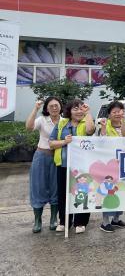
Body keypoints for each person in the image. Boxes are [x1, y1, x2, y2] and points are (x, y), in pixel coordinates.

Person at [49, 99, 95, 234]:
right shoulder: (62, 123)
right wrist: (64, 141)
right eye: (75, 109)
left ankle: (81, 222)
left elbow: (90, 131)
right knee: (63, 194)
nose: (79, 111)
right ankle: (64, 221)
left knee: (82, 193)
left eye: (81, 108)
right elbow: (51, 143)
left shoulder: (86, 121)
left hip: (82, 166)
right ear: (69, 111)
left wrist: (88, 113)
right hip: (63, 165)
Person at [25, 97, 62, 233]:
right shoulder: (42, 120)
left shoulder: (65, 121)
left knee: (56, 187)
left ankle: (53, 219)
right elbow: (29, 127)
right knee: (38, 187)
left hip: (58, 157)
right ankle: (37, 220)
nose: (54, 108)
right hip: (41, 157)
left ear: (60, 106)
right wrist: (36, 108)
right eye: (51, 106)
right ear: (46, 108)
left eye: (56, 105)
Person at [97, 101, 125, 233]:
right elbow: (101, 142)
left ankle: (116, 219)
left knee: (120, 192)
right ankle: (105, 222)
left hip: (123, 165)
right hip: (109, 166)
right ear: (109, 114)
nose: (117, 114)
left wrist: (123, 123)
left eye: (119, 111)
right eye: (114, 112)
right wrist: (103, 127)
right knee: (108, 193)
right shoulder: (105, 125)